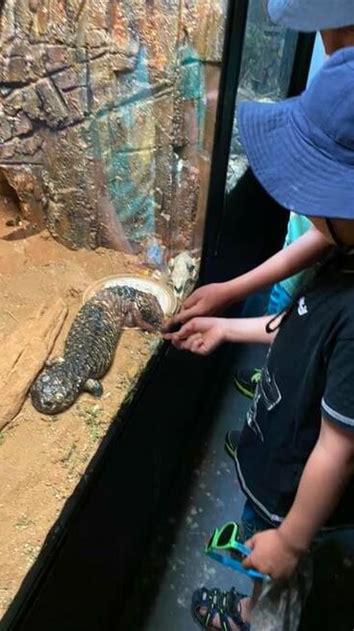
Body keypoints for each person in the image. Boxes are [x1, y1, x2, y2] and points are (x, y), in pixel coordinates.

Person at [164, 46, 354, 631]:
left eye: (314, 187)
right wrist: (225, 323)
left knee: (274, 578)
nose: (299, 200)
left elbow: (339, 445)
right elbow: (293, 328)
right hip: (279, 461)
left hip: (294, 495)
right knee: (260, 550)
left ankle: (251, 617)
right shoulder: (341, 257)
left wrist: (292, 541)